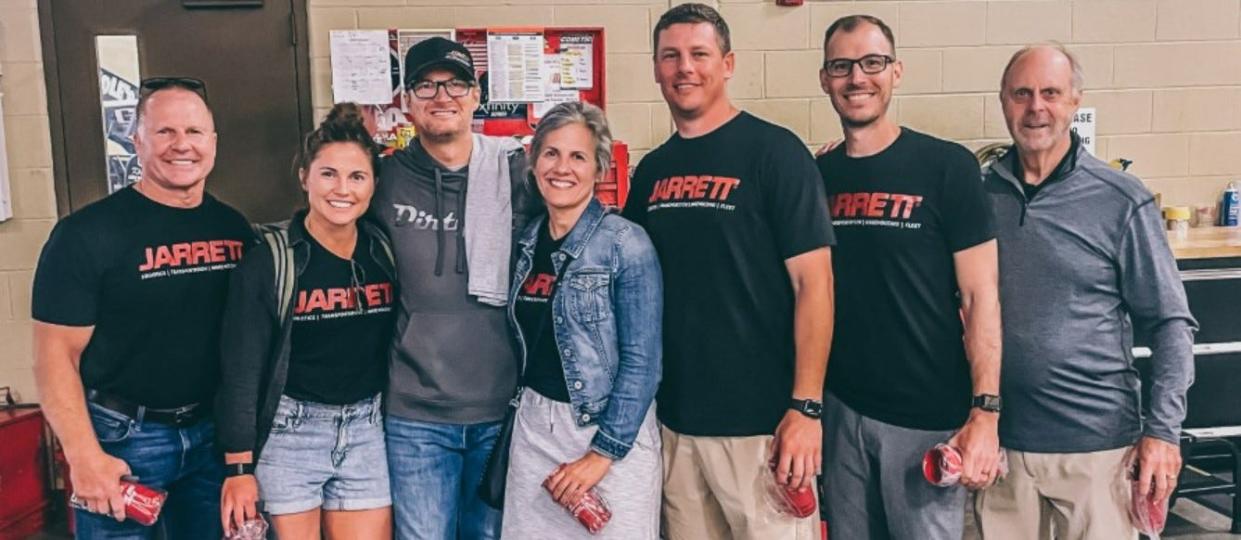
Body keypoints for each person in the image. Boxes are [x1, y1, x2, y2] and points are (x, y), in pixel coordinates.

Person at [621, 4, 835, 538]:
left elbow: (816, 285)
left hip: (763, 429)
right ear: (655, 68)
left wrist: (805, 408)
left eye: (699, 54)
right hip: (677, 423)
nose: (684, 68)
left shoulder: (775, 153)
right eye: (670, 56)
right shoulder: (653, 171)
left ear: (728, 63)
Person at [975, 43, 1196, 539]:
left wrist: (1162, 431)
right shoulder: (977, 195)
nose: (1036, 107)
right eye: (1022, 93)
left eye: (1050, 93)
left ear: (1075, 102)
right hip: (1001, 449)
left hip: (1097, 450)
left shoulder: (1120, 198)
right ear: (1003, 101)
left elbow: (1171, 324)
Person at [32, 77, 253, 539]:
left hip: (211, 440)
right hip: (123, 442)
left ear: (213, 142)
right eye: (164, 132)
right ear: (136, 141)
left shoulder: (234, 229)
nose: (182, 146)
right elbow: (55, 357)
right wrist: (83, 455)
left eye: (194, 132)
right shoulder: (85, 235)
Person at [815, 15, 1004, 539]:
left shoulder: (947, 166)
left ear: (896, 71)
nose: (858, 77)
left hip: (925, 417)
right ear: (825, 78)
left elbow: (981, 294)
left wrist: (985, 411)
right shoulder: (818, 177)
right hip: (842, 412)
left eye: (872, 63)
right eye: (842, 65)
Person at [369, 37, 541, 539]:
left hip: (501, 407)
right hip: (414, 414)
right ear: (406, 100)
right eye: (426, 84)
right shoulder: (381, 181)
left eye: (456, 84)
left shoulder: (518, 173)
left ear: (475, 95)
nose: (441, 96)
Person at [215, 103, 395, 539]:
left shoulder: (383, 252)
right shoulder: (271, 260)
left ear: (373, 184)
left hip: (366, 430)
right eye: (328, 174)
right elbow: (240, 369)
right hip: (290, 434)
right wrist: (239, 467)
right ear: (305, 178)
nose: (342, 189)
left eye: (357, 177)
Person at [501, 101, 663, 539]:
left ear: (599, 169)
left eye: (578, 156)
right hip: (535, 429)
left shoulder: (627, 244)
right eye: (551, 153)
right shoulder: (527, 240)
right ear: (533, 163)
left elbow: (643, 363)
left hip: (608, 433)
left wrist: (602, 454)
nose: (562, 168)